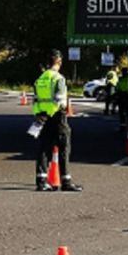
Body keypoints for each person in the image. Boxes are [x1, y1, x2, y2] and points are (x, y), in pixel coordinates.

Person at [32, 49, 83, 192]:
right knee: (64, 148)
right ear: (59, 62)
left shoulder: (40, 78)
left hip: (42, 116)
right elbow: (60, 101)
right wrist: (52, 112)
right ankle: (65, 181)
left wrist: (40, 116)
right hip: (57, 117)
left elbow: (35, 101)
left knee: (43, 148)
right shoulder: (58, 78)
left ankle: (41, 181)